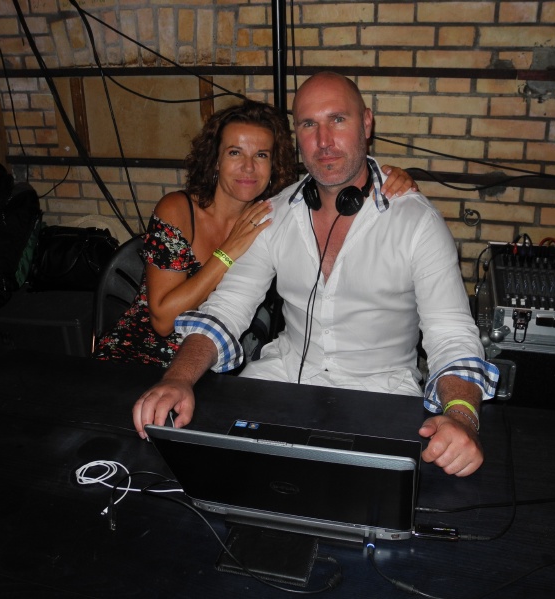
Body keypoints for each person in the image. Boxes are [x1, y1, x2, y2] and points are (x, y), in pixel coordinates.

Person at [133, 73, 499, 477]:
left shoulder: (417, 223)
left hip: (380, 394)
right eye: (309, 124)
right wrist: (178, 378)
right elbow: (226, 309)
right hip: (281, 380)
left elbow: (451, 333)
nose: (324, 141)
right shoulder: (274, 214)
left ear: (366, 124)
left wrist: (462, 416)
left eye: (337, 120)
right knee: (198, 470)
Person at [94, 99, 417, 367]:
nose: (248, 167)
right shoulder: (178, 210)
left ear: (274, 164)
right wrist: (227, 253)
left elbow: (341, 183)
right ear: (215, 160)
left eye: (261, 155)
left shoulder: (277, 215)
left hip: (217, 364)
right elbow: (163, 321)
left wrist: (394, 179)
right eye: (235, 153)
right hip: (136, 358)